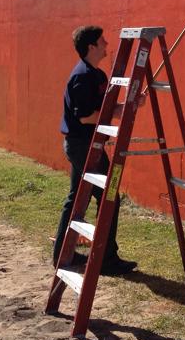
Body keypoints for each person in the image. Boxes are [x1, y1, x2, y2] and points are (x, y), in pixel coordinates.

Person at [53, 25, 137, 275]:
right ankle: (106, 259)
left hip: (89, 144)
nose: (107, 45)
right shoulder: (82, 76)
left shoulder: (97, 75)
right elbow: (86, 117)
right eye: (102, 41)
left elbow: (104, 110)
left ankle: (62, 254)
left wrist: (128, 106)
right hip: (82, 146)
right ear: (91, 46)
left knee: (76, 198)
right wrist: (114, 111)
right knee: (110, 196)